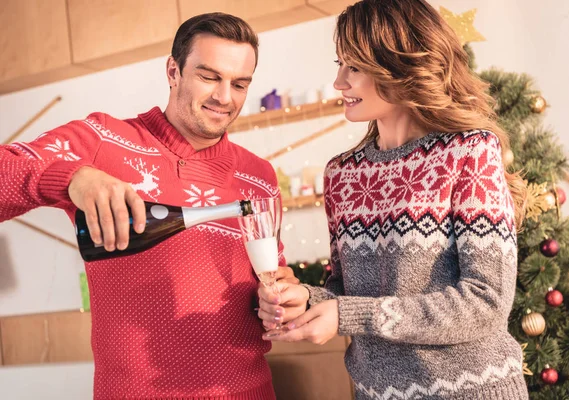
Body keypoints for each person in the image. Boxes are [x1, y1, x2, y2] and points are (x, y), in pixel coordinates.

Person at [0, 13, 297, 400]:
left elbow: (270, 274)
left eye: (239, 84)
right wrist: (72, 177)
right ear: (173, 70)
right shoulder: (102, 140)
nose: (225, 97)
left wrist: (284, 298)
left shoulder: (259, 176)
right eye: (209, 77)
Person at [257, 0, 530, 398]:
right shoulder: (342, 174)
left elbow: (485, 302)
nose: (339, 82)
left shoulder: (468, 152)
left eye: (355, 67)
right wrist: (308, 299)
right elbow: (345, 294)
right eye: (340, 64)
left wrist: (348, 313)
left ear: (399, 65)